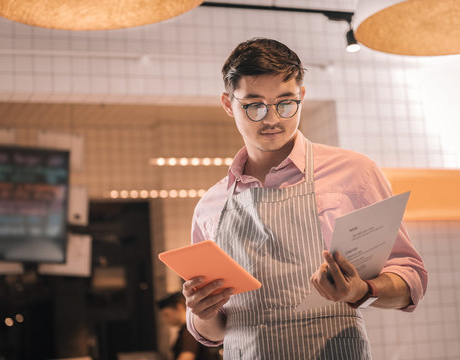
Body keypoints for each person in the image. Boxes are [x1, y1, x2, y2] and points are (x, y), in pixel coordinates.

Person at [182, 38, 428, 359]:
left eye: (286, 103)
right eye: (254, 105)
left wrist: (361, 291)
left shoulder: (355, 172)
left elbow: (410, 281)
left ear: (302, 96)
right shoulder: (210, 207)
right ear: (229, 105)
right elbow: (212, 335)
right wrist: (203, 312)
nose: (272, 119)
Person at [158, 292, 222, 360]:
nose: (164, 319)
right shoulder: (188, 329)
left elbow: (187, 356)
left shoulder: (189, 330)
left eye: (166, 314)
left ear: (178, 307)